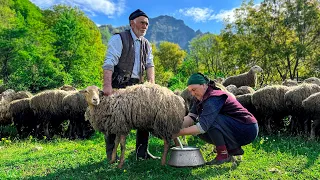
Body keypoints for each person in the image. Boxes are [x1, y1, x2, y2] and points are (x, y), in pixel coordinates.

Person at [102, 9, 158, 160]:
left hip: (138, 86)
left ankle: (142, 152)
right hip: (119, 84)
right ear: (132, 23)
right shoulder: (119, 39)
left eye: (147, 24)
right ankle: (111, 154)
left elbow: (150, 64)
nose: (145, 26)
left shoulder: (147, 44)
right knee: (114, 119)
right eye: (142, 22)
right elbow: (109, 63)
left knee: (144, 117)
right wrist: (107, 86)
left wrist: (151, 83)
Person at [173, 73, 259, 165]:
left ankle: (223, 155)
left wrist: (178, 133)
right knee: (199, 127)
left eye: (194, 90)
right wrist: (174, 128)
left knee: (209, 122)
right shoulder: (199, 98)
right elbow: (190, 117)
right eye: (191, 91)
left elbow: (202, 127)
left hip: (246, 128)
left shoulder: (214, 97)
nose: (192, 93)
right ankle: (229, 150)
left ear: (204, 85)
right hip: (233, 126)